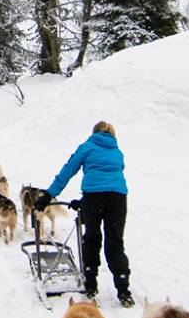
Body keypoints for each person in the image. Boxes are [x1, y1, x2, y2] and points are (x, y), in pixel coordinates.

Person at [38, 120, 132, 306]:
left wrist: (49, 194)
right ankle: (123, 291)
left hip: (94, 198)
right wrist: (83, 202)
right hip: (118, 199)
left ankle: (90, 286)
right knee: (115, 243)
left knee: (91, 238)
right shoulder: (117, 152)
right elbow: (109, 182)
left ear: (94, 132)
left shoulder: (87, 147)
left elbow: (68, 170)